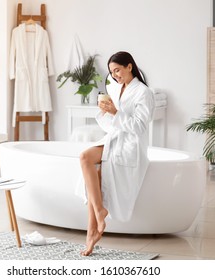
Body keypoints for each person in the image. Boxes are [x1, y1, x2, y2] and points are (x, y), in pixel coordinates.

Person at [79, 51, 155, 256]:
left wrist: (115, 112)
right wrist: (104, 110)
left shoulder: (144, 93)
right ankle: (99, 211)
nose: (115, 76)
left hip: (130, 145)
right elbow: (110, 124)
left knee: (95, 175)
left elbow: (139, 127)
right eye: (112, 73)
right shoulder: (117, 88)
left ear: (129, 66)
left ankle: (91, 233)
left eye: (118, 70)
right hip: (114, 138)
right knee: (85, 158)